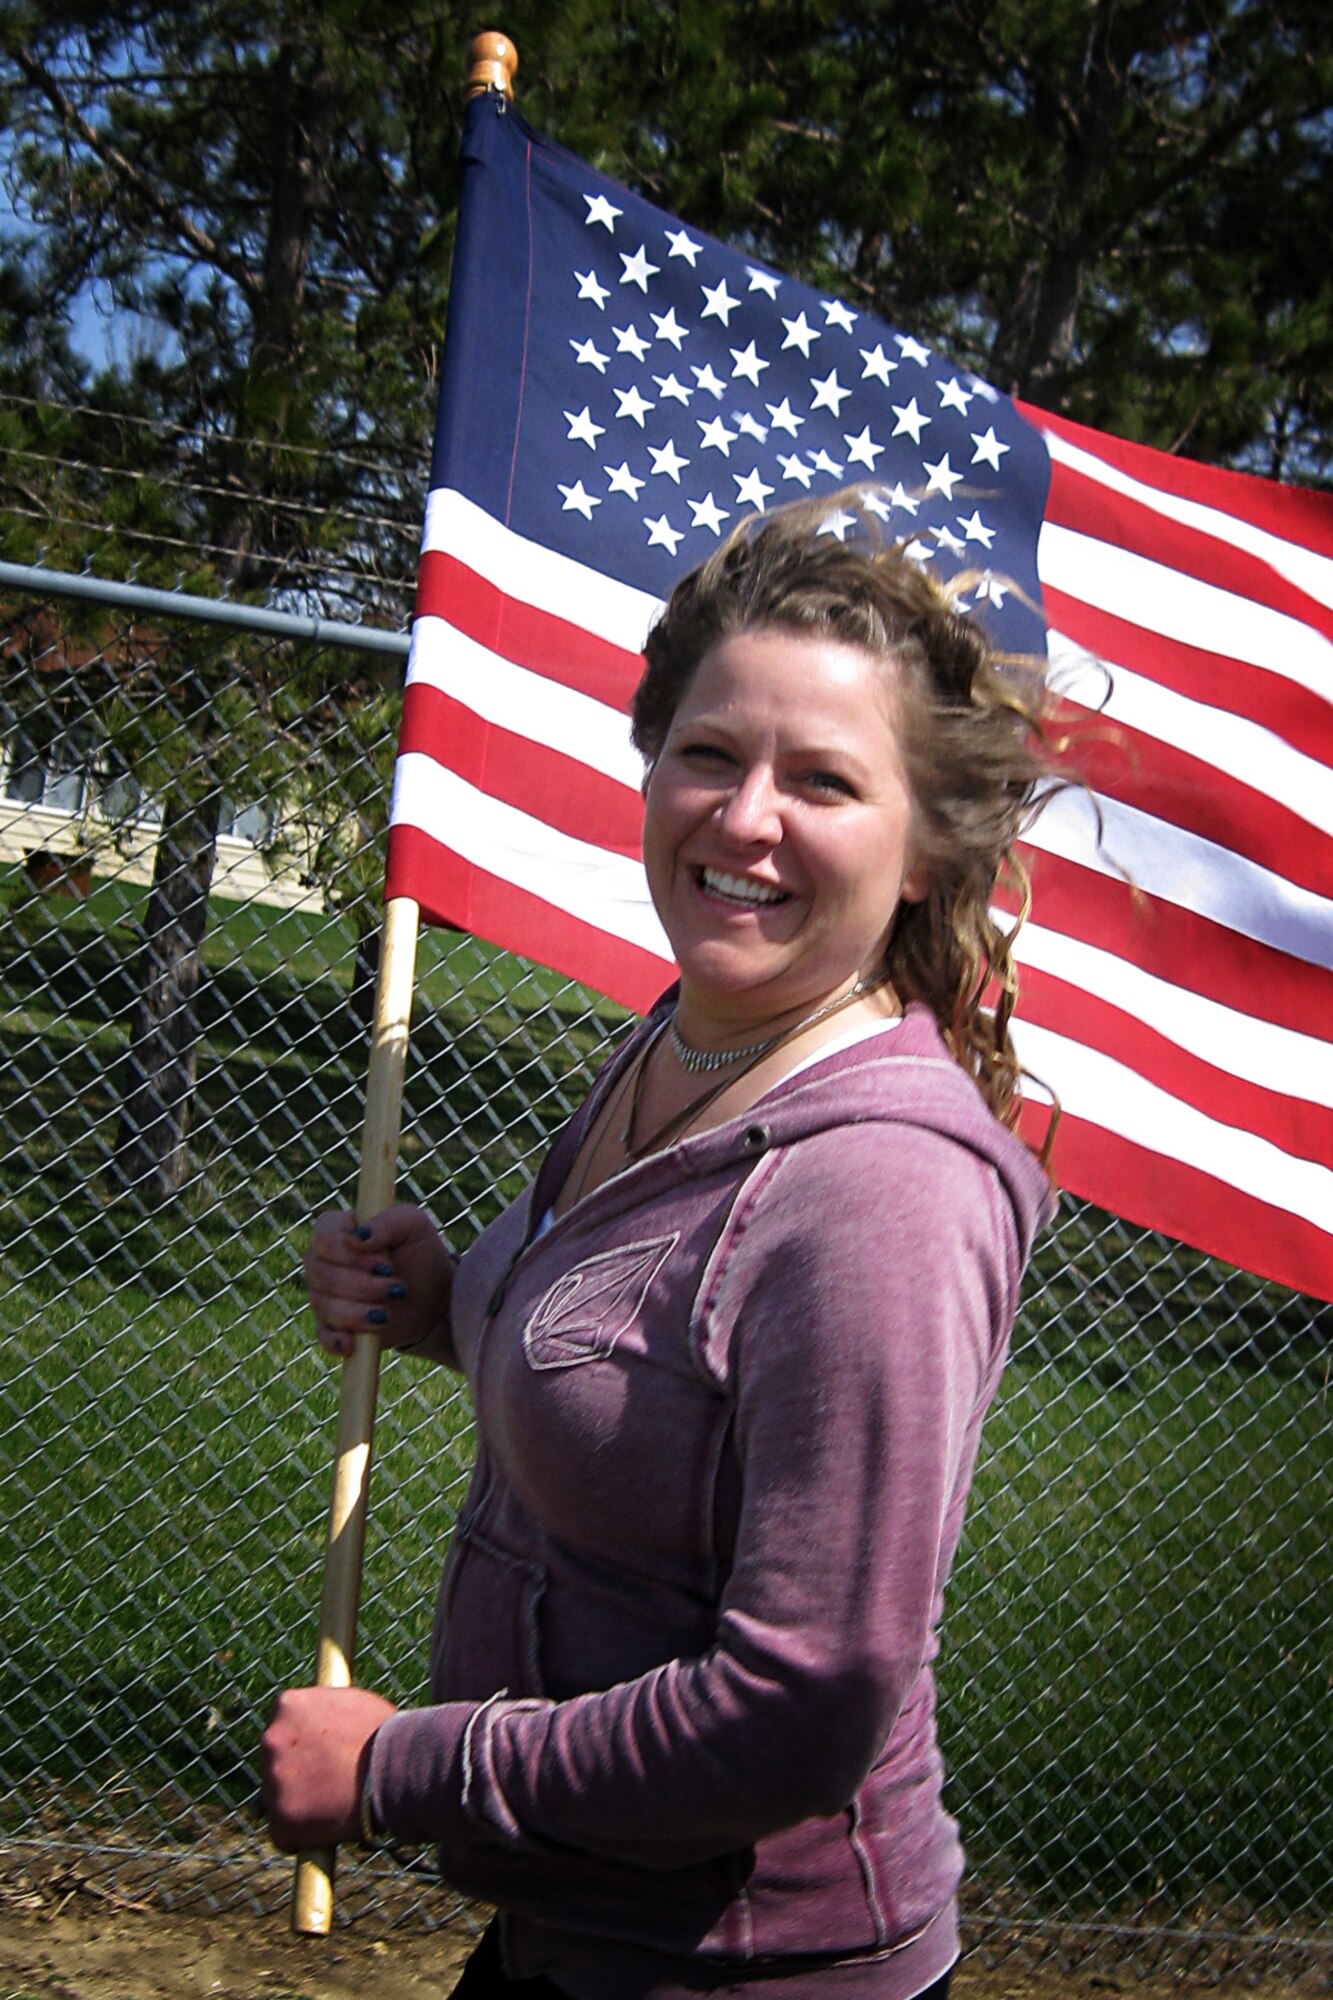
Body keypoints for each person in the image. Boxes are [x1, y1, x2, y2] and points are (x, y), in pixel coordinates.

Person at [261, 491, 1058, 1999]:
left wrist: (397, 1772)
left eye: (821, 780)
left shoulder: (882, 1192)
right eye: (708, 753)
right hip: (576, 1930)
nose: (743, 817)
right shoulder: (684, 1044)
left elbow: (799, 1706)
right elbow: (647, 1361)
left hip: (750, 1969)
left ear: (919, 857)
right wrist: (444, 1303)